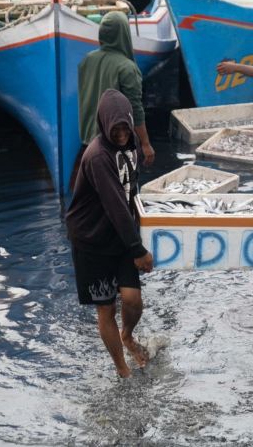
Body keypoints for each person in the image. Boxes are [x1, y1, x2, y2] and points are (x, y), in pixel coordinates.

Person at [66, 89, 154, 378]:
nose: (120, 135)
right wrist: (138, 249)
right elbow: (116, 205)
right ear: (104, 125)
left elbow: (131, 191)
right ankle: (122, 370)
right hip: (91, 240)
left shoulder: (131, 145)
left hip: (119, 236)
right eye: (114, 129)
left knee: (132, 299)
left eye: (124, 128)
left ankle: (127, 335)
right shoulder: (97, 157)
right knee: (105, 309)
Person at [75, 11, 154, 189]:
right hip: (114, 149)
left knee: (94, 202)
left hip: (88, 146)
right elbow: (135, 109)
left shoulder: (86, 61)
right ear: (125, 35)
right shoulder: (126, 67)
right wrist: (145, 143)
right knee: (121, 199)